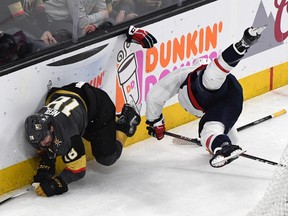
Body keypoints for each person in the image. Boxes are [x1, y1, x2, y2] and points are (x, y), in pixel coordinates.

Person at [145, 26, 266, 168]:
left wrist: (155, 122)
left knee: (211, 79)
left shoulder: (194, 76)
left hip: (220, 93)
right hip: (228, 100)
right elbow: (156, 95)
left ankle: (242, 44)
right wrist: (155, 121)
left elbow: (155, 95)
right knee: (224, 136)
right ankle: (223, 146)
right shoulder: (186, 75)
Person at [24, 82, 141, 197]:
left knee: (107, 158)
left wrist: (57, 184)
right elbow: (48, 146)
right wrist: (45, 168)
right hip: (70, 93)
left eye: (45, 139)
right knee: (81, 133)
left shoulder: (68, 135)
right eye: (39, 143)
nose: (44, 144)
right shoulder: (41, 121)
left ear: (51, 128)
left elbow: (78, 170)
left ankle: (125, 122)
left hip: (98, 105)